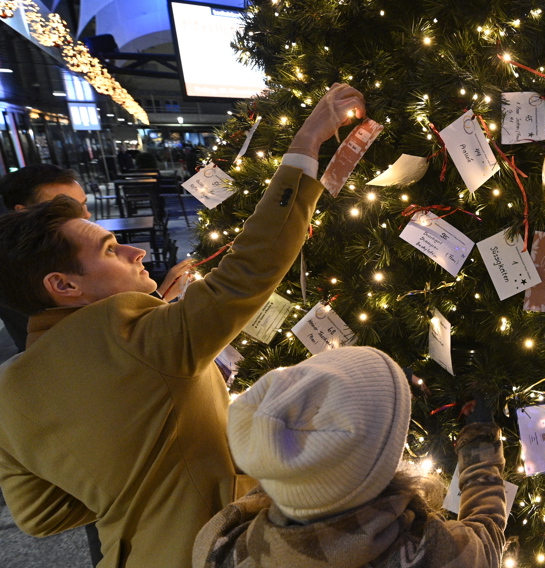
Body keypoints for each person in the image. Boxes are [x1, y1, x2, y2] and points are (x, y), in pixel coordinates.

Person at [0, 83, 366, 568]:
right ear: (64, 285)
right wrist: (306, 142)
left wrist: (137, 488)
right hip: (221, 549)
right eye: (110, 250)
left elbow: (40, 515)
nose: (136, 251)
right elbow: (248, 270)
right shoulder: (131, 332)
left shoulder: (9, 389)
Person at [193, 346, 507, 568]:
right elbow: (487, 535)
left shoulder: (220, 546)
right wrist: (479, 440)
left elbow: (287, 465)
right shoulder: (424, 555)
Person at [0, 164, 190, 353]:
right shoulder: (19, 277)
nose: (85, 215)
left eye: (82, 204)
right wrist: (160, 297)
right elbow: (93, 346)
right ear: (23, 211)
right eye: (62, 207)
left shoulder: (80, 249)